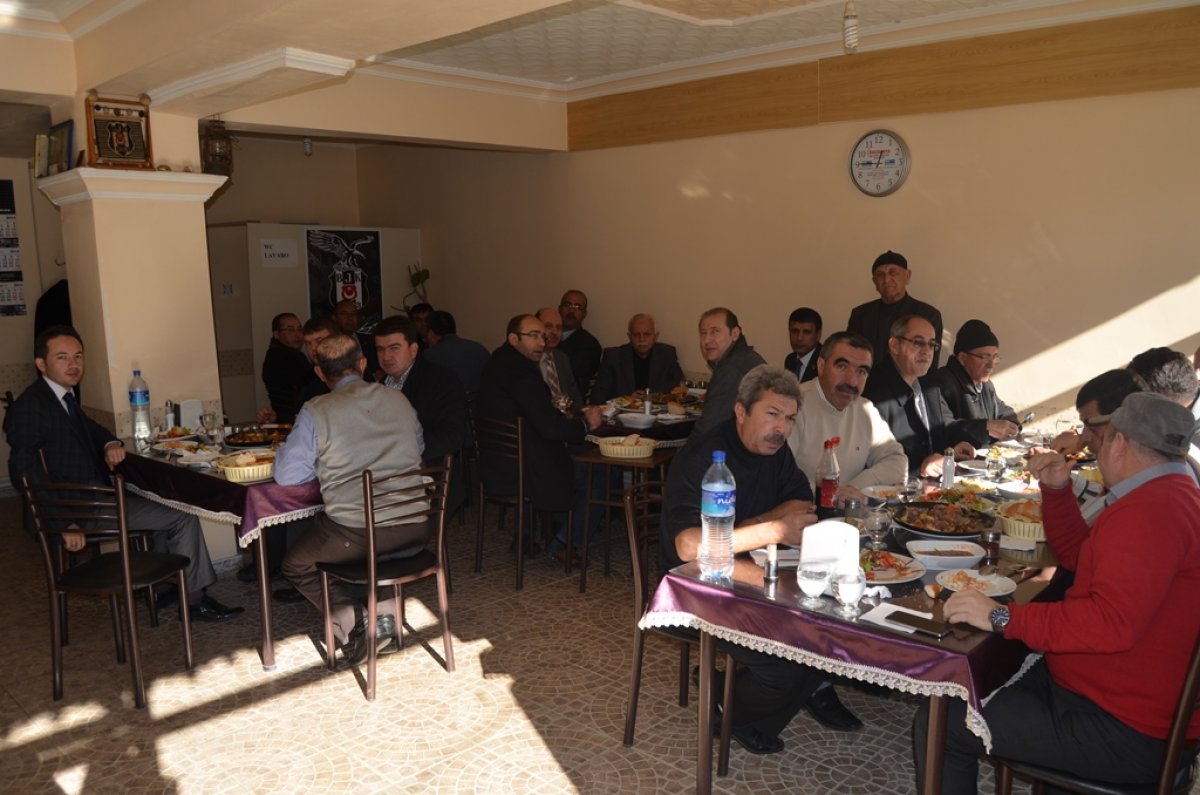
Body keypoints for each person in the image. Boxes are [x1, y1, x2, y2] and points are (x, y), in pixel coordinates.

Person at [917, 392, 1200, 792]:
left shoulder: (1149, 514)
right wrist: (1056, 490)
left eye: (1102, 438)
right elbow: (1082, 561)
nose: (1094, 448)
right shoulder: (1173, 493)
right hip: (1127, 704)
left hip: (1123, 729)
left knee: (943, 721)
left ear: (1119, 443)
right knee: (992, 668)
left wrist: (1000, 616)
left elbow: (1107, 625)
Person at [662, 365, 861, 753]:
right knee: (787, 663)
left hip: (746, 570)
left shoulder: (775, 450)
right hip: (690, 584)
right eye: (772, 414)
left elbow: (801, 503)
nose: (781, 428)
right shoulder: (704, 458)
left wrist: (751, 528)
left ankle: (734, 704)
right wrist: (771, 530)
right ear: (741, 411)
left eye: (789, 418)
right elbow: (687, 546)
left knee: (822, 639)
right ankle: (730, 711)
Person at [6, 326, 242, 622]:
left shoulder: (62, 398)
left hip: (91, 500)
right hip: (80, 509)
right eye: (62, 357)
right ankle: (194, 601)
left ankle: (163, 588)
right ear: (41, 364)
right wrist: (63, 522)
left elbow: (94, 430)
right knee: (182, 516)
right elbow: (23, 470)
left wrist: (110, 444)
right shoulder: (32, 405)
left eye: (78, 356)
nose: (73, 364)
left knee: (165, 500)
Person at [276, 334, 430, 668]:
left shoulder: (317, 410)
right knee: (374, 552)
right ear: (362, 363)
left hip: (359, 533)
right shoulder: (398, 399)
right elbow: (417, 448)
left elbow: (287, 475)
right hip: (415, 526)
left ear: (320, 373)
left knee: (297, 564)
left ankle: (356, 622)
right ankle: (384, 617)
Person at [475, 315, 603, 556]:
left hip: (496, 461)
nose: (542, 343)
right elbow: (550, 428)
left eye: (542, 337)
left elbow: (536, 416)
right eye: (533, 336)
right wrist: (586, 424)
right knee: (599, 473)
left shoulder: (498, 361)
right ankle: (565, 542)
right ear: (513, 339)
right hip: (525, 468)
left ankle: (529, 535)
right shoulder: (522, 372)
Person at [787, 332, 907, 503]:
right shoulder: (793, 405)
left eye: (861, 371)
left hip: (851, 511)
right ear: (821, 366)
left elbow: (897, 462)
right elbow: (778, 475)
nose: (852, 381)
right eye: (842, 367)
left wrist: (853, 489)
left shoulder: (865, 409)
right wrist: (832, 495)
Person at [862, 315, 973, 476]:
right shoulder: (874, 390)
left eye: (931, 344)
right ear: (894, 345)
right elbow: (870, 458)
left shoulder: (929, 383)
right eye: (918, 343)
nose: (926, 351)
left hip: (932, 485)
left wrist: (950, 451)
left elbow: (930, 440)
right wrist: (919, 467)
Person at [376, 315, 466, 466]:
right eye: (380, 350)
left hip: (428, 469)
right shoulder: (381, 385)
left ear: (413, 349)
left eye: (394, 348)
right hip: (387, 466)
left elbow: (452, 437)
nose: (386, 357)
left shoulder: (440, 380)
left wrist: (399, 451)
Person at [847, 250, 944, 368]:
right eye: (880, 275)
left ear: (907, 276)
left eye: (893, 273)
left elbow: (929, 364)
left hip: (911, 379)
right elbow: (851, 356)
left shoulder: (928, 315)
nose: (886, 279)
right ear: (874, 282)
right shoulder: (860, 315)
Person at [933, 319, 1020, 446]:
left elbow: (1003, 411)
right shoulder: (940, 383)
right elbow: (944, 429)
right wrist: (986, 427)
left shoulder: (985, 384)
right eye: (985, 357)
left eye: (994, 357)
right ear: (963, 358)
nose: (991, 365)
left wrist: (1012, 426)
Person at [690, 307, 766, 440]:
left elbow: (708, 430)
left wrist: (684, 452)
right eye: (703, 333)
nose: (707, 340)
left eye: (715, 331)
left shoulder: (732, 369)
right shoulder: (745, 357)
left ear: (735, 334)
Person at [590, 313, 684, 403]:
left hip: (658, 411)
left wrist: (650, 393)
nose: (641, 339)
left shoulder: (667, 354)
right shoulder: (613, 357)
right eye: (636, 335)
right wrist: (628, 398)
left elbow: (679, 383)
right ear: (629, 337)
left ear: (655, 336)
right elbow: (598, 394)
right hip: (621, 412)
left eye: (647, 334)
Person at [261, 312, 318, 424]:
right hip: (293, 419)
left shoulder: (272, 354)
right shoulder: (285, 356)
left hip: (284, 418)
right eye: (290, 330)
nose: (297, 335)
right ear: (276, 334)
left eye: (299, 329)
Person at [423, 310, 490, 397]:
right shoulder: (480, 349)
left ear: (431, 333)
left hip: (450, 403)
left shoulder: (429, 356)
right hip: (482, 403)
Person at [535, 307, 585, 413]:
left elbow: (575, 398)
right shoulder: (528, 358)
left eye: (558, 327)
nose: (554, 332)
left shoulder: (561, 358)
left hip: (564, 418)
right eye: (548, 326)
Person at [555, 289, 602, 398]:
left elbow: (572, 377)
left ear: (584, 314)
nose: (571, 310)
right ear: (559, 309)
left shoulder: (590, 345)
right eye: (567, 305)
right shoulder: (545, 337)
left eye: (578, 307)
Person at [331, 298, 379, 381]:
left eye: (353, 313)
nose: (350, 317)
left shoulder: (369, 340)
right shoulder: (329, 343)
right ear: (334, 318)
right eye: (344, 314)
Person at [782, 307, 822, 384]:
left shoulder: (825, 362)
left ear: (818, 335)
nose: (799, 338)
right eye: (794, 331)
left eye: (806, 332)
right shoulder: (790, 360)